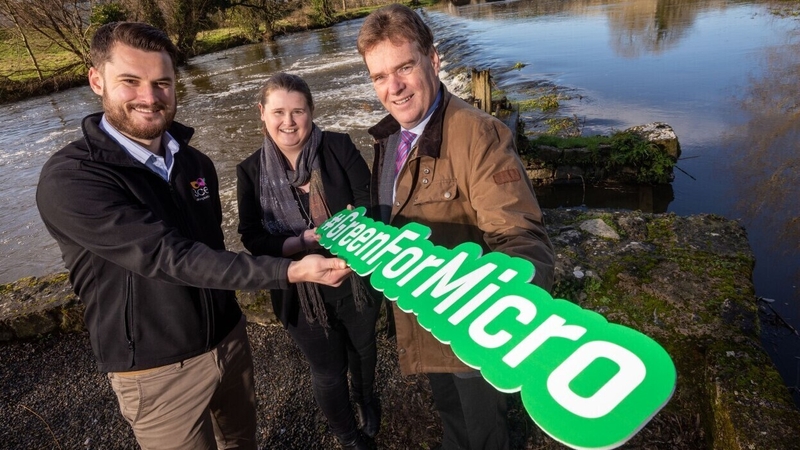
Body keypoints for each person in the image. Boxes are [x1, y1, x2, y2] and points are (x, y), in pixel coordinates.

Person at [35, 22, 351, 450]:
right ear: (96, 80)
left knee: (242, 442)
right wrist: (291, 269)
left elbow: (213, 248)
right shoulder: (72, 179)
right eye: (130, 81)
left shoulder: (195, 164)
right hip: (155, 371)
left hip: (229, 341)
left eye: (162, 82)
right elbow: (170, 257)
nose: (149, 97)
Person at [357, 4, 556, 450]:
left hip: (473, 338)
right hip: (428, 325)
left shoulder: (479, 134)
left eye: (404, 67)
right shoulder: (389, 139)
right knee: (454, 424)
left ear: (433, 58)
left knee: (485, 435)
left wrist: (504, 308)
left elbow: (522, 238)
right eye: (379, 76)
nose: (394, 88)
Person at [236, 73, 379, 450]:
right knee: (329, 370)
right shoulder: (250, 172)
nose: (289, 121)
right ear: (262, 113)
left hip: (354, 278)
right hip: (299, 292)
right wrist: (301, 241)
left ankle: (367, 399)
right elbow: (252, 236)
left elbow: (369, 200)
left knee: (363, 350)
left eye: (298, 111)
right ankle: (348, 435)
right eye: (279, 111)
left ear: (311, 112)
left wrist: (355, 221)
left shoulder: (338, 146)